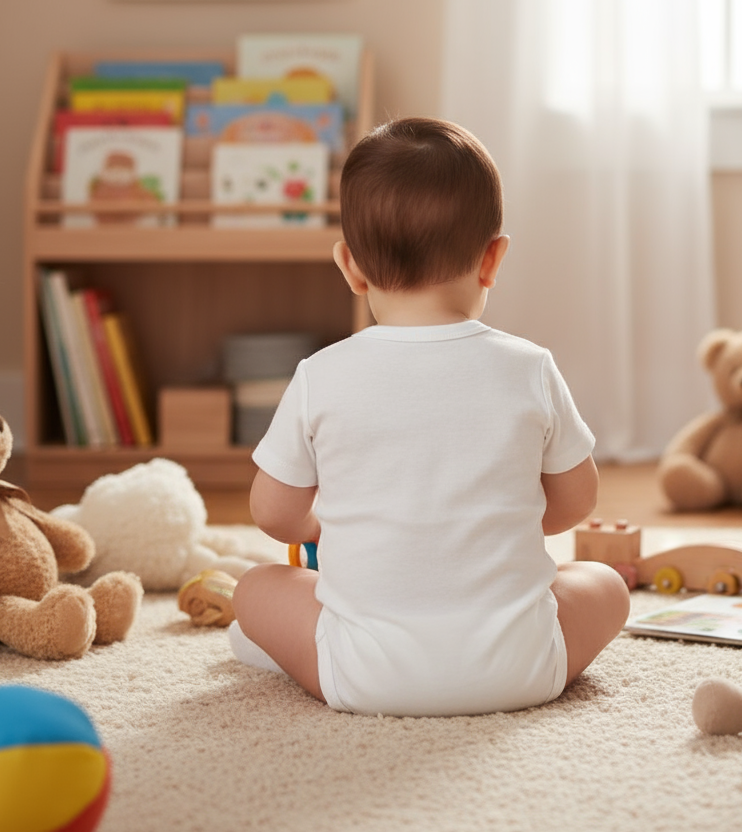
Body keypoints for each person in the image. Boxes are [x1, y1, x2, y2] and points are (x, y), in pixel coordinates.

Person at [229, 117, 630, 716]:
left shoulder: (322, 374)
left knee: (255, 588)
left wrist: (327, 530)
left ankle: (284, 645)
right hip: (524, 668)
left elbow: (274, 513)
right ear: (493, 259)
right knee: (605, 585)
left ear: (350, 265)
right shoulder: (530, 367)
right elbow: (575, 503)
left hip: (361, 676)